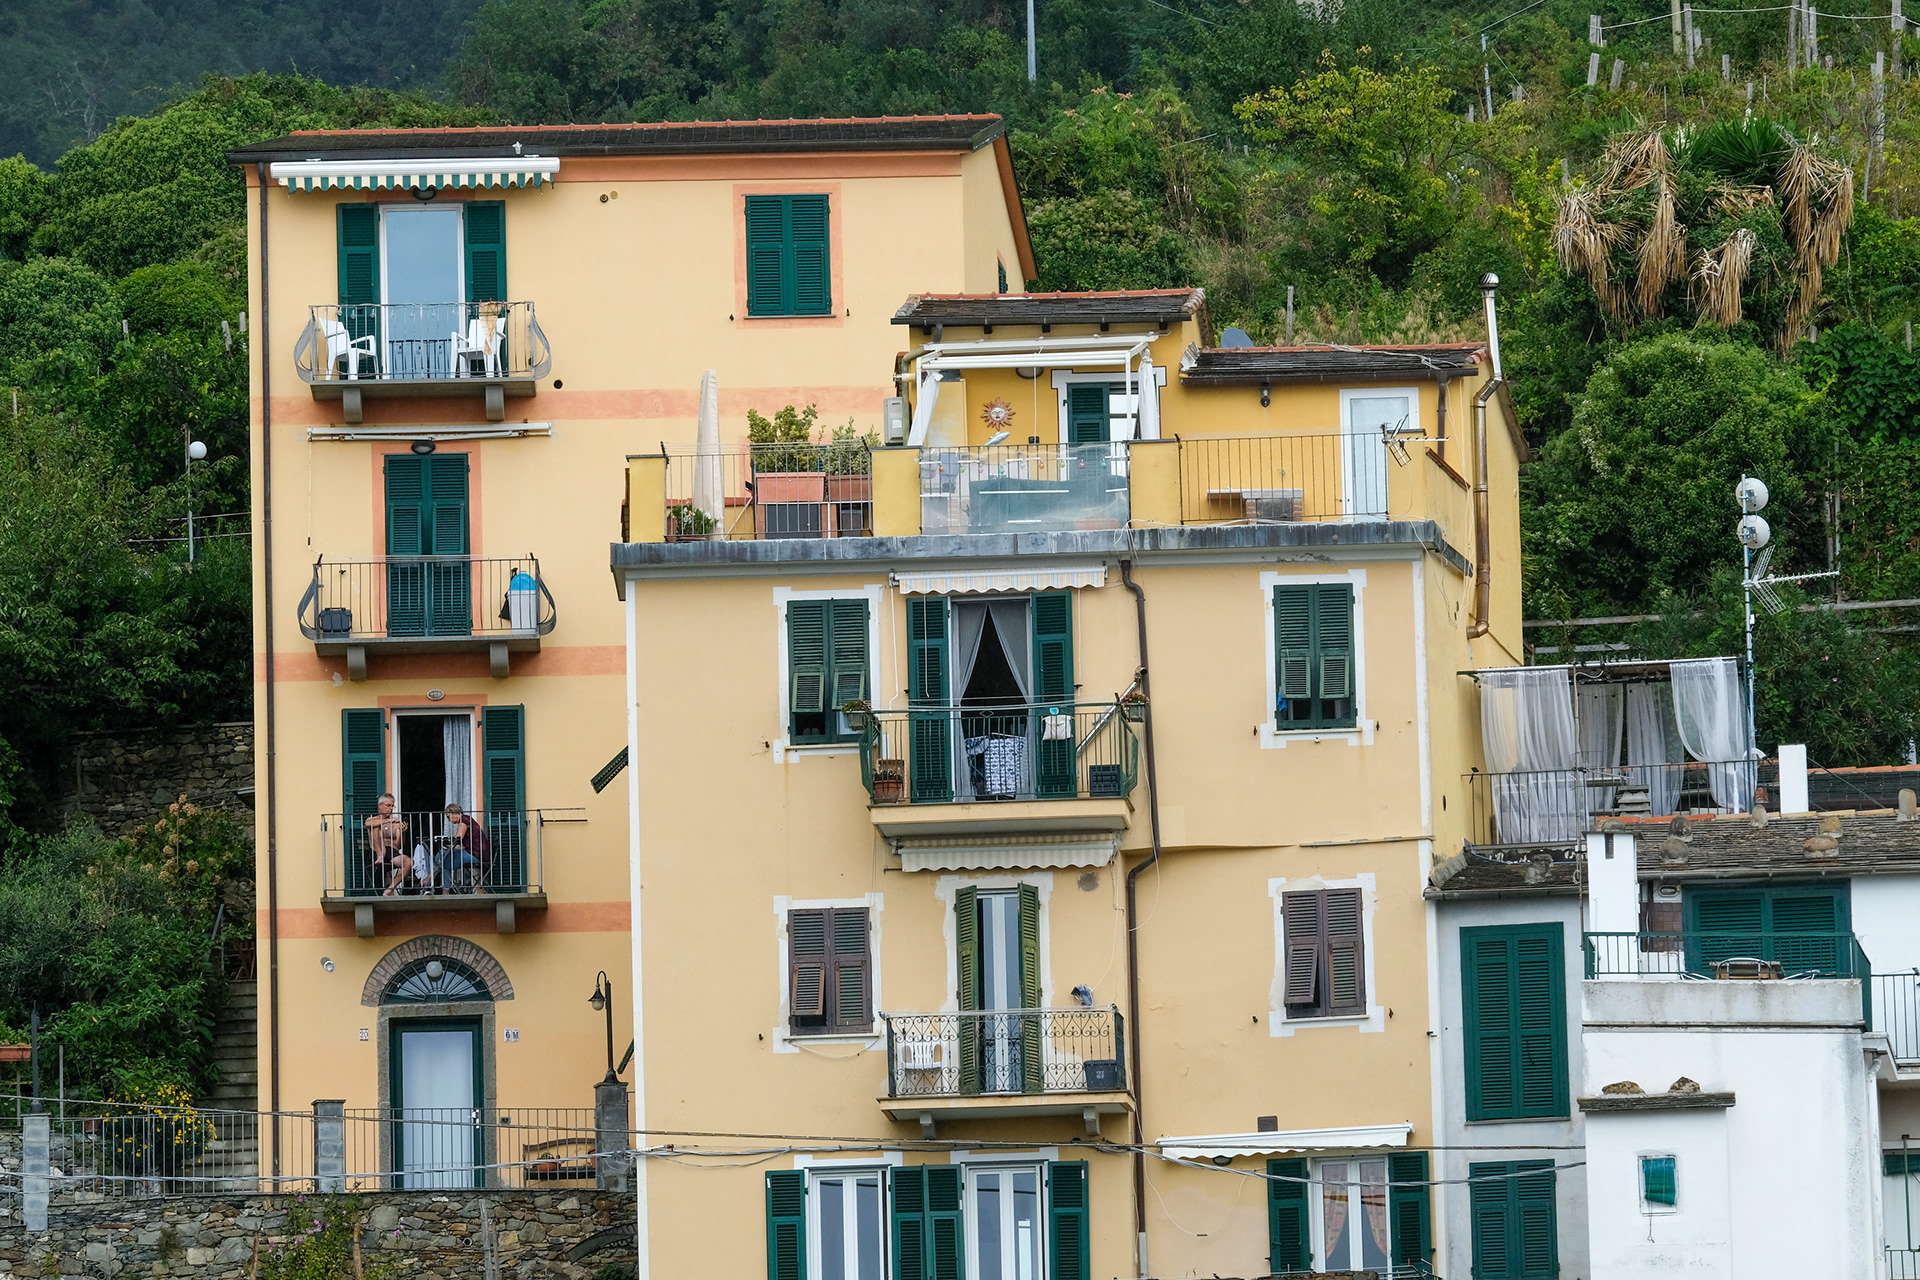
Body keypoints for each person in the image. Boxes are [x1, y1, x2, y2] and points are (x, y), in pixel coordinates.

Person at [363, 794, 411, 895]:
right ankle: (380, 855)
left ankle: (390, 889)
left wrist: (403, 832)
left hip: (391, 852)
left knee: (408, 862)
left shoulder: (396, 823)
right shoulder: (371, 819)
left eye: (392, 806)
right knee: (376, 826)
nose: (390, 808)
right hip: (375, 853)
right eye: (388, 805)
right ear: (380, 805)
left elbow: (399, 844)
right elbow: (367, 824)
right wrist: (386, 821)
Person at [437, 803, 488, 894]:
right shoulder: (467, 820)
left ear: (455, 813)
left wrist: (446, 842)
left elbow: (458, 839)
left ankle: (444, 892)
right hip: (474, 852)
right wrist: (448, 846)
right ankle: (431, 877)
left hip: (475, 854)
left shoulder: (464, 820)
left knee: (445, 864)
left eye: (448, 817)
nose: (449, 820)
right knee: (443, 853)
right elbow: (462, 845)